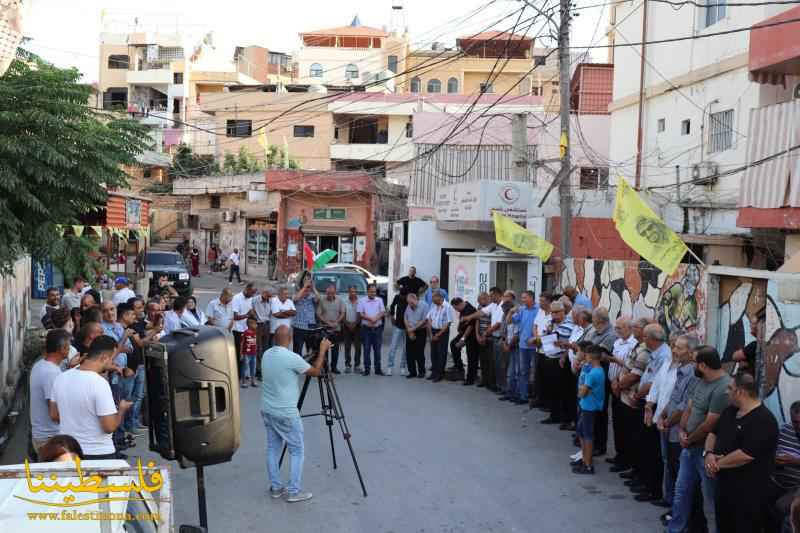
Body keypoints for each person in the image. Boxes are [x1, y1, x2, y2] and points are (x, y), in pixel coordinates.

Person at [260, 326, 329, 503]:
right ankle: (293, 491)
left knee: (272, 448)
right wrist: (321, 351)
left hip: (268, 410)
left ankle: (276, 488)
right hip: (286, 413)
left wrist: (309, 357)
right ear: (290, 338)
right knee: (297, 450)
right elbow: (315, 372)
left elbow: (295, 365)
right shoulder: (292, 358)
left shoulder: (267, 354)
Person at [667, 346, 732, 533]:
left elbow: (709, 424)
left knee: (710, 500)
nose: (692, 364)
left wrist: (689, 438)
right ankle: (676, 528)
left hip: (706, 451)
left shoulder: (723, 388)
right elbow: (689, 408)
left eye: (695, 361)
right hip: (689, 448)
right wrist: (682, 431)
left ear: (703, 365)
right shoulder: (698, 381)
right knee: (682, 491)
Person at [705, 372, 778, 533]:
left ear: (741, 391)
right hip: (724, 488)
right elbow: (713, 433)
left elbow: (746, 454)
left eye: (730, 388)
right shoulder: (730, 411)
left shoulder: (764, 420)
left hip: (747, 494)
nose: (726, 392)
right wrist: (709, 453)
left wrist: (716, 464)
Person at [49, 336, 133, 459]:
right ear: (104, 357)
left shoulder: (61, 377)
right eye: (111, 359)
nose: (112, 364)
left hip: (68, 451)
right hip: (98, 452)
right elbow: (109, 427)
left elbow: (54, 415)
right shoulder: (99, 383)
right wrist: (121, 410)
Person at [648, 334, 700, 510]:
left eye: (679, 348)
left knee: (680, 473)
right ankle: (671, 503)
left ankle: (681, 513)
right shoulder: (679, 368)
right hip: (669, 425)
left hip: (679, 430)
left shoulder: (692, 373)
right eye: (674, 346)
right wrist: (661, 416)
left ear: (691, 352)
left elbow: (684, 406)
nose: (674, 350)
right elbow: (672, 400)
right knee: (669, 465)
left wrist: (667, 422)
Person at [632, 323, 671, 502]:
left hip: (655, 405)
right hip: (648, 402)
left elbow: (655, 383)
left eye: (645, 336)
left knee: (653, 449)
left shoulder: (664, 355)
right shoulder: (656, 354)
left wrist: (641, 395)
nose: (643, 339)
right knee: (645, 445)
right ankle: (645, 481)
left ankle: (653, 488)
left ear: (653, 339)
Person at [583, 307, 618, 456]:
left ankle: (599, 444)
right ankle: (590, 438)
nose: (593, 323)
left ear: (600, 320)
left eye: (594, 320)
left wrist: (588, 352)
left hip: (600, 374)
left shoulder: (610, 335)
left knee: (600, 410)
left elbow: (597, 352)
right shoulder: (594, 331)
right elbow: (586, 346)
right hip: (591, 371)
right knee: (590, 408)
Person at [30, 329, 71, 454]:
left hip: (44, 436)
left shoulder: (40, 364)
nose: (70, 349)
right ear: (62, 348)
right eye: (68, 345)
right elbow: (54, 414)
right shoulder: (51, 373)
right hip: (50, 438)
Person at [606, 318, 637, 463]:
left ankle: (626, 458)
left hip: (624, 388)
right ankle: (619, 454)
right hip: (613, 384)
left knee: (625, 426)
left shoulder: (633, 345)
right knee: (617, 424)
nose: (617, 331)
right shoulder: (617, 342)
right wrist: (613, 380)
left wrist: (618, 382)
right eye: (616, 328)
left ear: (629, 328)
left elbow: (630, 367)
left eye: (620, 328)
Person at [573, 344, 606, 475]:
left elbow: (582, 392)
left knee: (587, 435)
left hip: (589, 407)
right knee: (581, 432)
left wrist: (582, 386)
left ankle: (588, 464)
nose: (584, 357)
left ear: (591, 357)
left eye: (586, 355)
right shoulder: (594, 370)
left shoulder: (593, 373)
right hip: (585, 405)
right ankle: (584, 459)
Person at [768, 401, 800, 533]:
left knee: (782, 506)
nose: (798, 426)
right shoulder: (785, 429)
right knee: (754, 496)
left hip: (797, 485)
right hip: (777, 479)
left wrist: (795, 462)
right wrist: (774, 459)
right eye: (795, 422)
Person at [540, 301, 573, 425]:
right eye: (552, 312)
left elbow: (570, 342)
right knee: (552, 389)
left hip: (561, 360)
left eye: (556, 312)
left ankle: (565, 418)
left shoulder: (569, 325)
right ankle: (554, 415)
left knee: (564, 390)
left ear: (563, 312)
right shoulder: (550, 324)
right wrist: (547, 332)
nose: (554, 315)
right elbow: (544, 338)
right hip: (549, 357)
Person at [511, 291, 540, 403]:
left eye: (525, 298)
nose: (522, 300)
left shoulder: (538, 309)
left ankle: (534, 396)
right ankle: (523, 395)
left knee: (535, 371)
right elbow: (513, 320)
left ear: (532, 298)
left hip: (534, 345)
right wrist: (512, 311)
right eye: (522, 298)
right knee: (523, 371)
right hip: (523, 344)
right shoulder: (522, 309)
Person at [316, 284, 345, 373]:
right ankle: (326, 368)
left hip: (336, 329)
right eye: (328, 293)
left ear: (335, 292)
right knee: (324, 350)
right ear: (326, 292)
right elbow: (318, 313)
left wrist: (336, 322)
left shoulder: (340, 300)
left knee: (335, 350)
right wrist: (327, 322)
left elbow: (342, 312)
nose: (330, 295)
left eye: (332, 293)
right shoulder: (322, 300)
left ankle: (334, 367)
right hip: (325, 329)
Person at [426, 290, 454, 383]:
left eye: (434, 297)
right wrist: (431, 334)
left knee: (441, 353)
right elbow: (429, 319)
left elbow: (448, 323)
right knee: (433, 353)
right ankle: (434, 372)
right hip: (433, 331)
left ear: (440, 297)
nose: (432, 299)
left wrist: (438, 334)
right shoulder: (433, 306)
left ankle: (440, 374)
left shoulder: (447, 307)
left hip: (442, 332)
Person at [358, 285, 386, 376]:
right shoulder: (362, 300)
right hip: (366, 329)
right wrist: (370, 319)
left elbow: (382, 312)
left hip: (377, 329)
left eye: (374, 292)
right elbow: (360, 314)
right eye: (371, 291)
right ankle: (367, 369)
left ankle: (378, 369)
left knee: (377, 350)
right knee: (366, 350)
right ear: (367, 291)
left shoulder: (379, 300)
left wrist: (375, 319)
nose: (373, 293)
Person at [450, 297, 478, 382]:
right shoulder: (463, 308)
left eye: (456, 308)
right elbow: (461, 319)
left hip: (471, 335)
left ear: (460, 304)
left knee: (471, 356)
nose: (456, 310)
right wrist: (459, 327)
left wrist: (462, 339)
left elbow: (470, 326)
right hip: (463, 332)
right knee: (453, 344)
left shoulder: (470, 309)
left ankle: (471, 378)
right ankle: (459, 366)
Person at [232, 284, 258, 374]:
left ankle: (243, 373)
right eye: (252, 292)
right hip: (237, 330)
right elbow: (234, 317)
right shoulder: (236, 298)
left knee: (246, 353)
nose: (252, 295)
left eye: (254, 293)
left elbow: (251, 312)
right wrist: (247, 315)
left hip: (247, 330)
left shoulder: (251, 299)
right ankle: (237, 374)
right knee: (239, 354)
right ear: (247, 289)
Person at [473, 292, 496, 390]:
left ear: (486, 298)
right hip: (480, 336)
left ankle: (490, 382)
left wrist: (485, 336)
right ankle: (484, 379)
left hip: (489, 337)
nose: (479, 303)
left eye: (480, 300)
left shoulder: (492, 308)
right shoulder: (480, 307)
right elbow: (477, 321)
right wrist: (477, 335)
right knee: (482, 361)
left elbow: (493, 323)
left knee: (490, 361)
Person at [404, 293, 429, 379]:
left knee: (419, 352)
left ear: (416, 299)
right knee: (409, 353)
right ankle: (412, 372)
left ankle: (421, 372)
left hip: (420, 331)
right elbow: (405, 318)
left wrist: (413, 329)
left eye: (412, 303)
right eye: (409, 303)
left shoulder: (424, 305)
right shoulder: (408, 305)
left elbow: (424, 320)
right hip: (410, 330)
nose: (410, 305)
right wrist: (409, 330)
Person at [387, 285, 409, 376]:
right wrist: (392, 316)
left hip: (408, 327)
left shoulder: (409, 297)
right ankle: (389, 367)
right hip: (398, 325)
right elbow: (392, 306)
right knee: (393, 347)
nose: (402, 296)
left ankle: (403, 367)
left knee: (406, 348)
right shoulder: (397, 297)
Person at [251, 288, 273, 378]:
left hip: (267, 324)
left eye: (270, 296)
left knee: (266, 348)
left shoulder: (270, 301)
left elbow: (271, 313)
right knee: (258, 347)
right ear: (263, 293)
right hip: (259, 324)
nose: (269, 298)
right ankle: (258, 369)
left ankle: (264, 369)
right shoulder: (255, 300)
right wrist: (256, 318)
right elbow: (251, 310)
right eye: (267, 296)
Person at [342, 286, 362, 374]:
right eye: (351, 292)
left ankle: (357, 366)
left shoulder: (360, 302)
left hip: (357, 326)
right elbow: (342, 314)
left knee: (358, 347)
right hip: (346, 326)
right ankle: (347, 365)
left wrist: (354, 324)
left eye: (354, 292)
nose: (353, 293)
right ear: (348, 292)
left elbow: (360, 314)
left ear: (356, 292)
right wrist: (348, 324)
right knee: (347, 347)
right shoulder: (344, 301)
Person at [240, 317, 259, 387]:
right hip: (246, 354)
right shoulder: (245, 333)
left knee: (253, 368)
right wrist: (241, 354)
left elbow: (255, 342)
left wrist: (256, 349)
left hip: (253, 353)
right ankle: (244, 382)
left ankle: (253, 381)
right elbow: (242, 343)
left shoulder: (254, 333)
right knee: (245, 368)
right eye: (255, 324)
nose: (256, 325)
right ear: (250, 324)